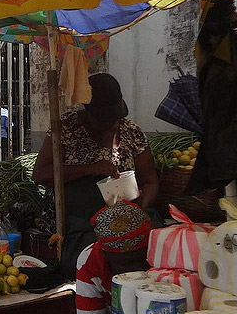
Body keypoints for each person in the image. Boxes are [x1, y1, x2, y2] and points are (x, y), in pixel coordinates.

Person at [32, 73, 159, 277]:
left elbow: (150, 179)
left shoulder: (132, 132)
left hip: (126, 215)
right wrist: (89, 169)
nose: (112, 124)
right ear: (88, 111)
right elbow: (40, 175)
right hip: (79, 220)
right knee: (86, 261)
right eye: (105, 119)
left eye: (115, 119)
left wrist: (140, 210)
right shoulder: (66, 128)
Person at [64, 201, 151, 314]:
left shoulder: (165, 262)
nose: (137, 271)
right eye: (126, 263)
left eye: (142, 260)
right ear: (105, 255)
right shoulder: (90, 261)